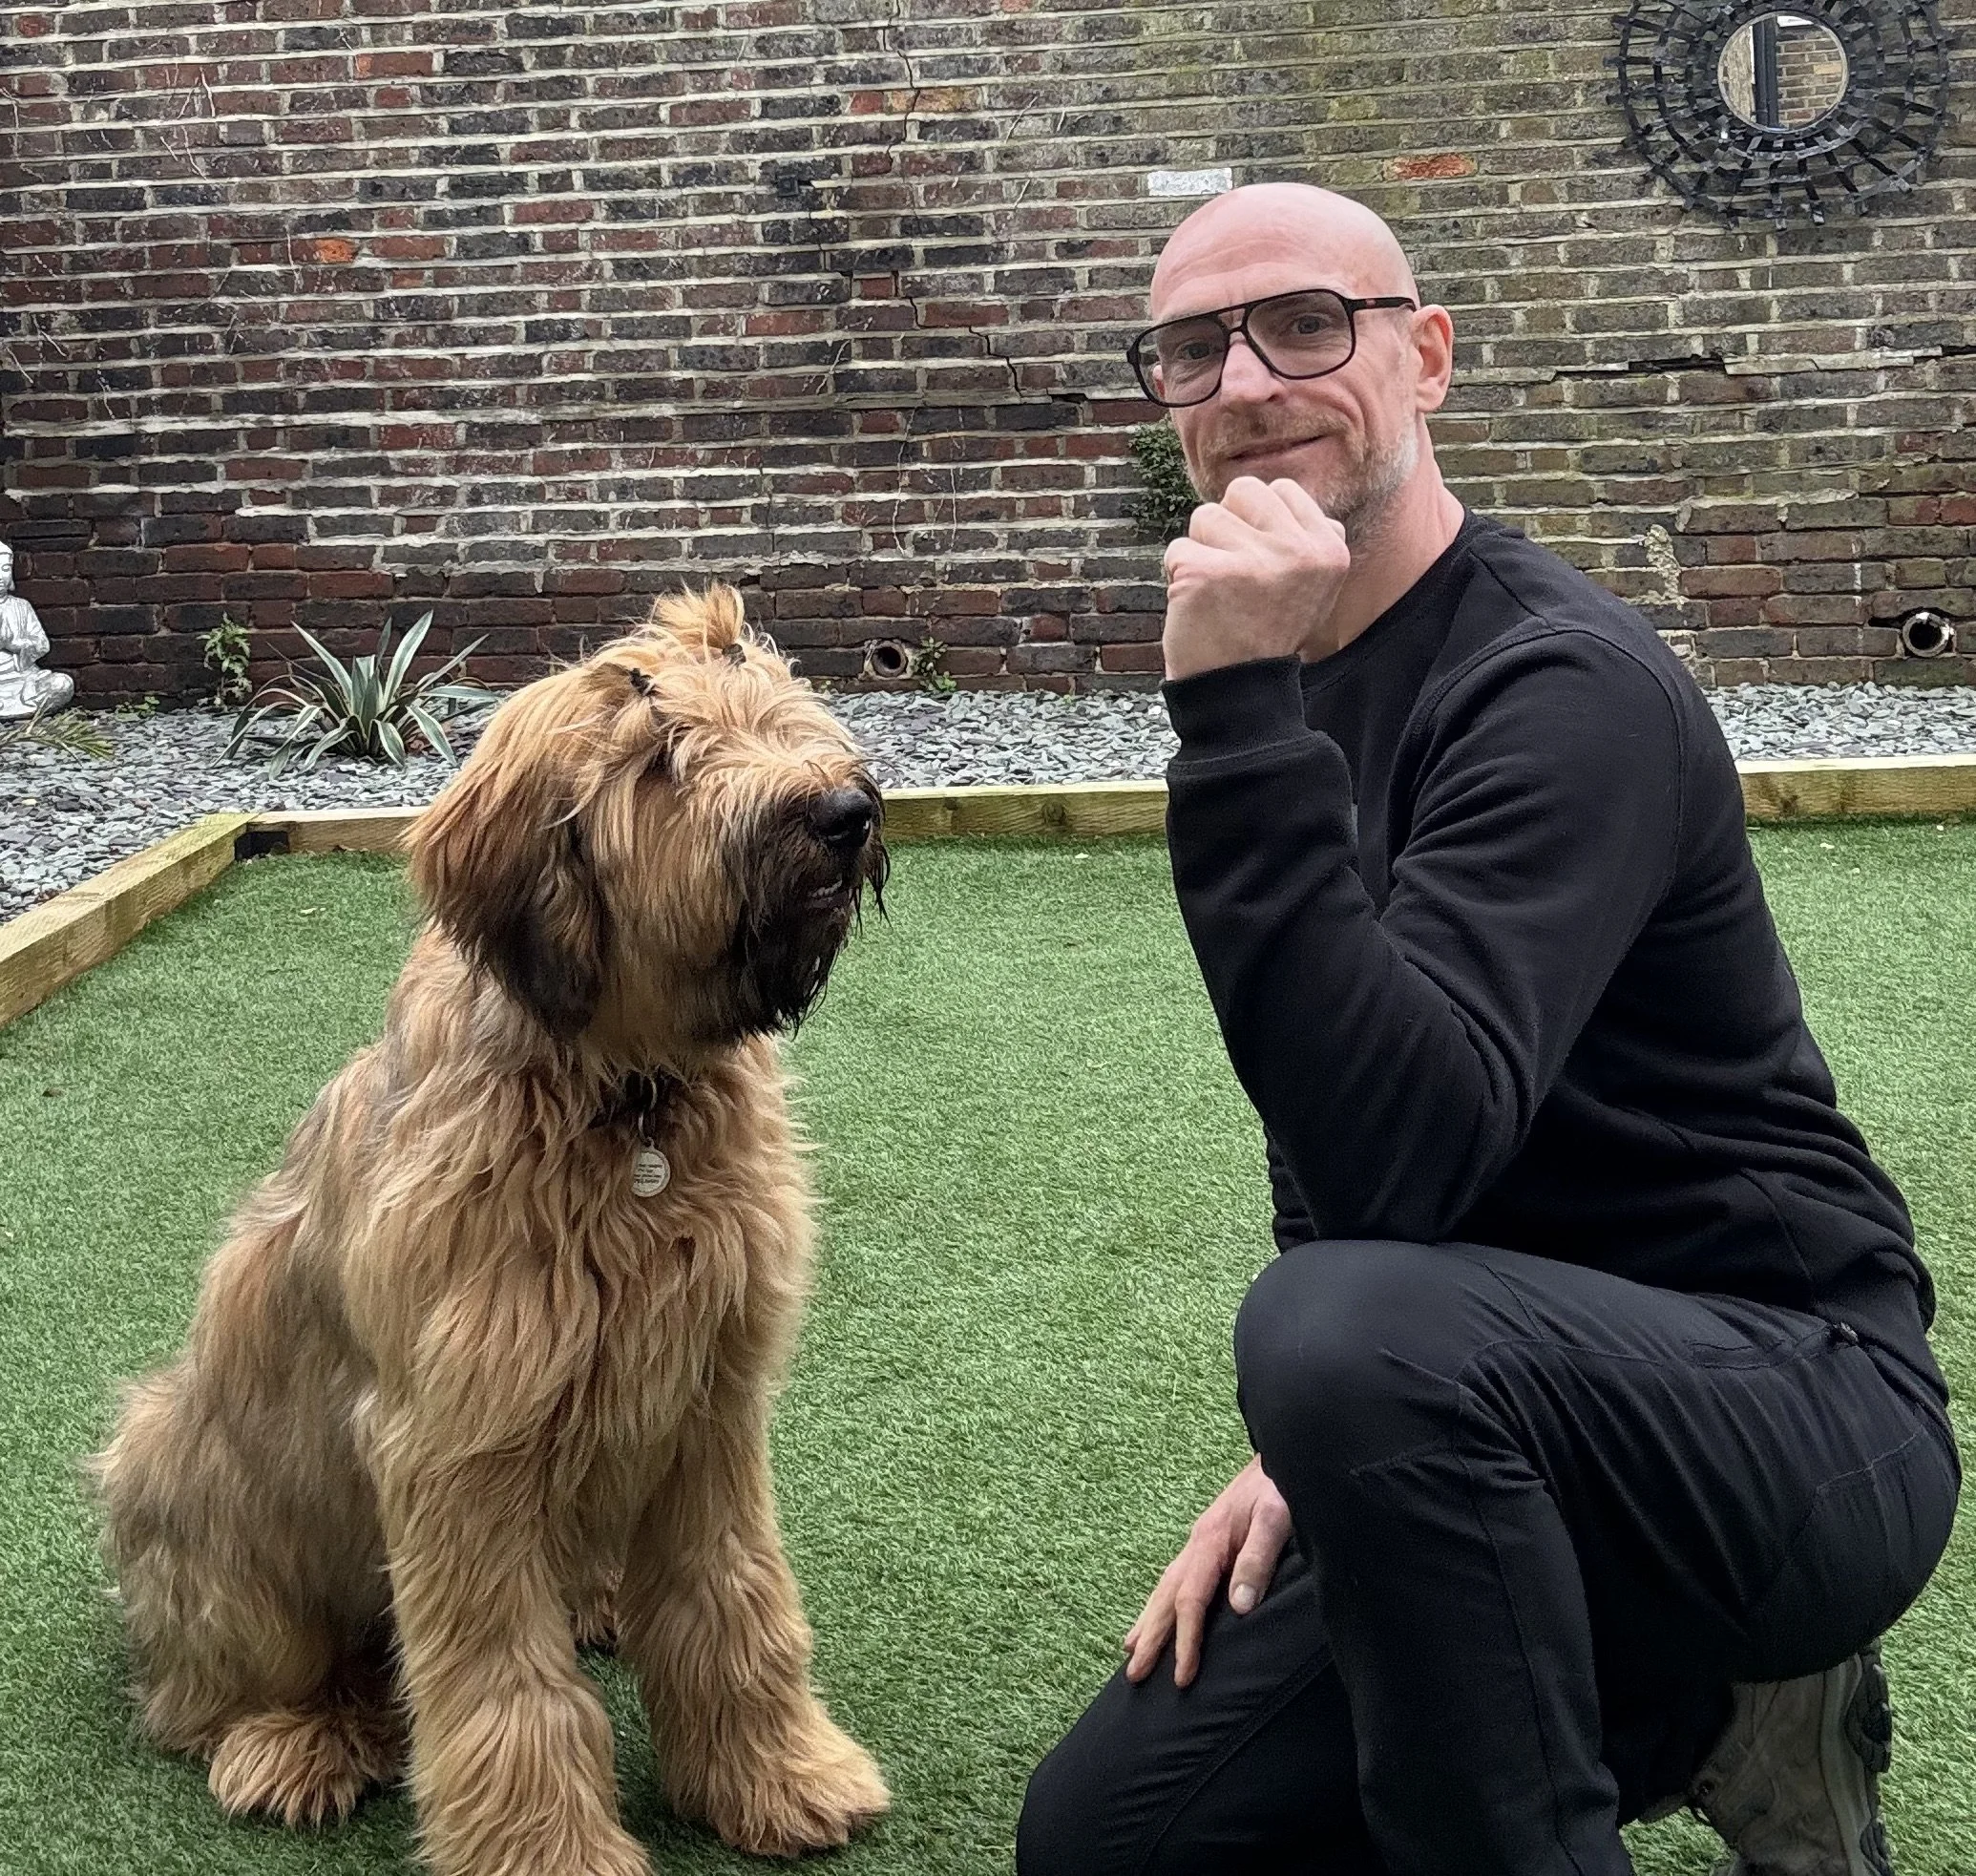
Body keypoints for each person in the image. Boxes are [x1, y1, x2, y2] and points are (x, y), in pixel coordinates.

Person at [1018, 183, 1958, 1876]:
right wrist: (1311, 1443)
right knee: (1117, 1842)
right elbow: (1326, 1141)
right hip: (1479, 1402)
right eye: (1188, 350)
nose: (1242, 381)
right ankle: (1702, 1717)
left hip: (1789, 1417)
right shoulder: (1296, 685)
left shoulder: (1556, 688)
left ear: (1426, 356)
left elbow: (1399, 1149)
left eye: (1304, 325)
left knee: (1342, 1327)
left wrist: (1229, 710)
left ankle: (1716, 1684)